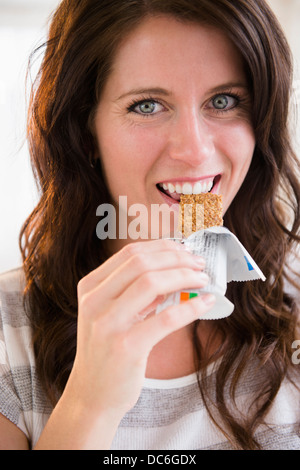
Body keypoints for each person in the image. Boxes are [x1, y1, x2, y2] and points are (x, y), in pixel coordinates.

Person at [0, 0, 299, 450]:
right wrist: (89, 406)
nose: (195, 152)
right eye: (147, 105)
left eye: (224, 101)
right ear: (86, 133)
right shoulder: (8, 334)